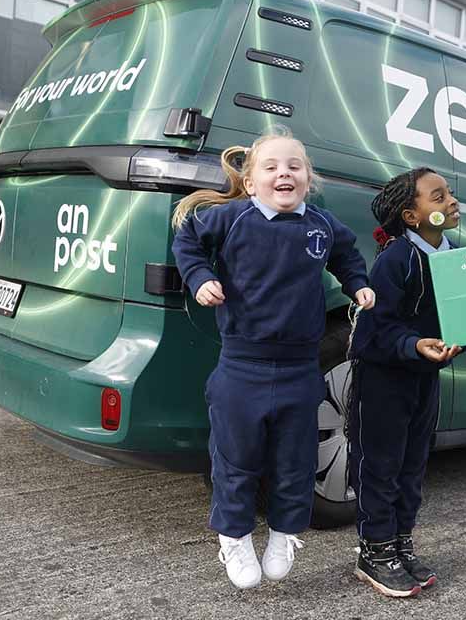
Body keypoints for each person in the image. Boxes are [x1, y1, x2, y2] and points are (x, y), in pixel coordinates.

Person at [171, 125, 376, 590]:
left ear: (308, 178)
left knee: (295, 460)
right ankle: (235, 536)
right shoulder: (233, 219)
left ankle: (284, 534)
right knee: (235, 459)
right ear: (250, 182)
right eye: (271, 167)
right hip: (241, 367)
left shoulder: (321, 225)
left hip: (300, 369)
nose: (284, 173)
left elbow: (347, 255)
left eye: (294, 166)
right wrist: (199, 276)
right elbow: (187, 242)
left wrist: (357, 283)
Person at [346, 167, 463, 598]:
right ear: (411, 217)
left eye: (449, 193)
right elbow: (376, 331)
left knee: (413, 464)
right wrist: (415, 345)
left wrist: (457, 344)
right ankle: (374, 550)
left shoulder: (455, 254)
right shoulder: (395, 259)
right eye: (438, 197)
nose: (451, 201)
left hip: (423, 379)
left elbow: (463, 317)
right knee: (380, 465)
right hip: (384, 380)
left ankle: (400, 542)